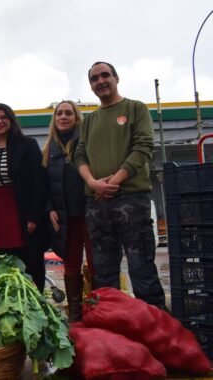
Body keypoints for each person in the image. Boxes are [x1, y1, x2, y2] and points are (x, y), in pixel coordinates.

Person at [74, 61, 166, 309]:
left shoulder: (136, 108)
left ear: (116, 78)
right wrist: (93, 183)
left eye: (105, 75)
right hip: (96, 203)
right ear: (91, 85)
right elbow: (79, 156)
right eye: (94, 78)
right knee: (103, 272)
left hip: (131, 200)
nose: (100, 81)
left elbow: (143, 147)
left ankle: (157, 326)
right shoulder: (89, 120)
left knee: (141, 268)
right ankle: (111, 326)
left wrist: (113, 182)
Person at [0, 104, 48, 290]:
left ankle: (35, 297)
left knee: (28, 258)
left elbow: (39, 182)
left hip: (19, 208)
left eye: (3, 117)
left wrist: (34, 215)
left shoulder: (27, 145)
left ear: (11, 120)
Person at [42, 100, 93, 321]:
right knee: (71, 264)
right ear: (54, 119)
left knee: (97, 263)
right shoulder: (48, 150)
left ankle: (98, 310)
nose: (63, 117)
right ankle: (75, 312)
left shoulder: (87, 143)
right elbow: (42, 185)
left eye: (68, 113)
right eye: (59, 113)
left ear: (76, 118)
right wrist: (49, 208)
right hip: (66, 217)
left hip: (90, 213)